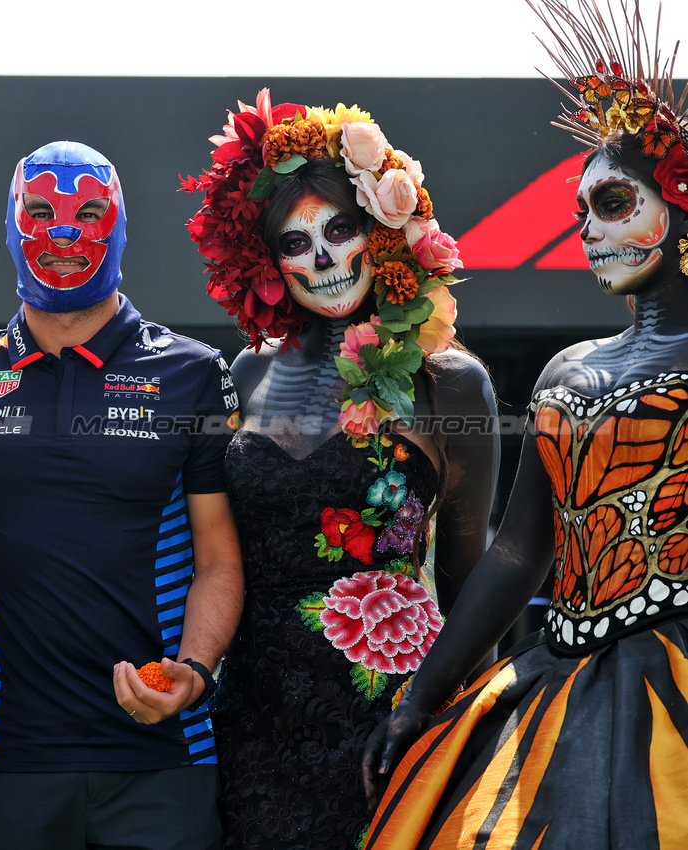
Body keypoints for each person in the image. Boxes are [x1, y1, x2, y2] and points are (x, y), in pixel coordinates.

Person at [361, 2, 688, 846]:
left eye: (614, 202)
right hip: (561, 684)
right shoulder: (566, 371)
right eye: (581, 211)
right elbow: (516, 550)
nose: (589, 230)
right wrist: (422, 696)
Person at [180, 91, 499, 848]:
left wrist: (471, 730)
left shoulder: (447, 381)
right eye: (293, 243)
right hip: (252, 727)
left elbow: (467, 574)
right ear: (262, 261)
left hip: (394, 725)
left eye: (339, 228)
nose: (320, 258)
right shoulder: (248, 373)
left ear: (381, 230)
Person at [0, 140, 244, 850]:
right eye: (39, 212)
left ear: (120, 226)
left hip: (162, 763)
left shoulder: (194, 372)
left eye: (88, 213)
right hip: (6, 761)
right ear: (11, 228)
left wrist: (193, 673)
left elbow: (218, 558)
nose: (63, 234)